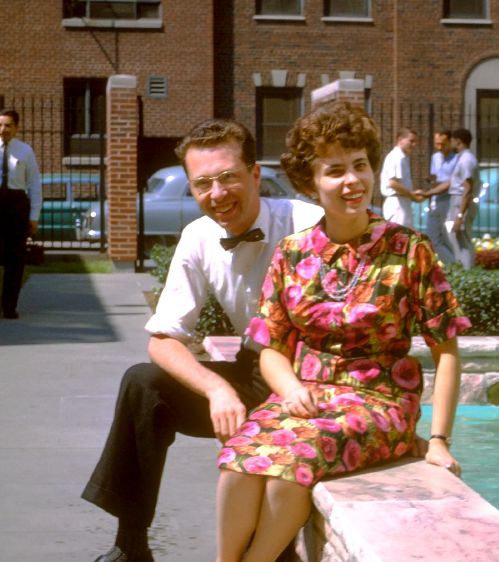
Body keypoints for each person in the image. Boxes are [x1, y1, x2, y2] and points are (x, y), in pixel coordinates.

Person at [215, 101, 470, 562]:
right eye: (335, 171)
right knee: (237, 461)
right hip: (306, 395)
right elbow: (270, 347)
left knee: (290, 467)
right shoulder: (292, 252)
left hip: (381, 400)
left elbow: (446, 350)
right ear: (311, 183)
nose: (353, 181)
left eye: (360, 166)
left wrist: (437, 441)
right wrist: (289, 388)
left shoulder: (410, 250)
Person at [82, 119, 323, 562]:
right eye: (203, 183)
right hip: (255, 370)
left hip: (316, 379)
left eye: (229, 177)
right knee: (143, 384)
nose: (217, 194)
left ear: (255, 175)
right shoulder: (198, 236)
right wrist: (217, 389)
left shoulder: (310, 223)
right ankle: (131, 545)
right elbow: (163, 338)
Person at [0, 109, 42, 319]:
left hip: (16, 206)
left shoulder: (25, 151)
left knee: (15, 259)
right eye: (0, 125)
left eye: (8, 125)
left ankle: (9, 307)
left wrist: (34, 216)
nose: (3, 130)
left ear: (16, 127)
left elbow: (34, 183)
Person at [421, 130, 458, 264]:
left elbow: (450, 183)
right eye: (437, 144)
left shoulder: (456, 159)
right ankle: (453, 263)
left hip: (448, 200)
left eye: (443, 144)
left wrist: (429, 193)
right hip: (435, 200)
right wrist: (430, 182)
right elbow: (435, 177)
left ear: (449, 142)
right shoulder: (435, 157)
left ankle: (454, 264)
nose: (440, 147)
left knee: (447, 236)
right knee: (433, 238)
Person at [443, 128, 478, 269]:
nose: (450, 142)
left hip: (460, 202)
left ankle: (466, 272)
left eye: (452, 140)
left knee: (462, 239)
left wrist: (459, 215)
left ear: (458, 141)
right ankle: (462, 270)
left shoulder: (466, 160)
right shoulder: (462, 158)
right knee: (456, 239)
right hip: (456, 201)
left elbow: (467, 189)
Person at [378, 127, 422, 226]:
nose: (413, 145)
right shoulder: (396, 157)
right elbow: (393, 183)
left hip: (402, 202)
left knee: (404, 237)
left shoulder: (402, 157)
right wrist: (413, 197)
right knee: (399, 238)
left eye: (415, 142)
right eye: (411, 141)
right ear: (400, 139)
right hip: (397, 203)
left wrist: (412, 193)